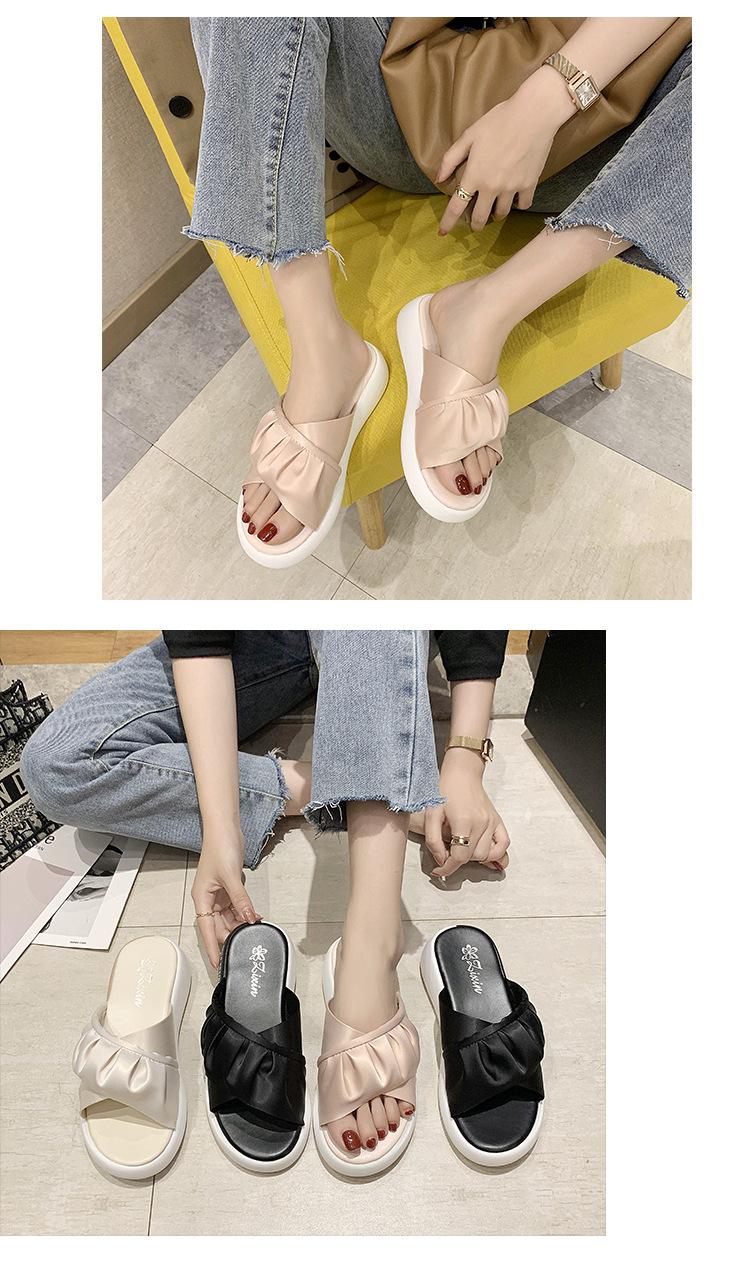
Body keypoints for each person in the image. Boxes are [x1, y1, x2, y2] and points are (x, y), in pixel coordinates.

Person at [184, 17, 691, 561]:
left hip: (600, 137)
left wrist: (542, 104)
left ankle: (487, 308)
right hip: (402, 97)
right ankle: (321, 350)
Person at [21, 629, 509, 1157]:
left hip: (382, 635)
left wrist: (464, 761)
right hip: (257, 637)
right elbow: (198, 634)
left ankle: (373, 944)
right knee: (56, 765)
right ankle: (362, 786)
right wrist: (221, 829)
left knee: (368, 617)